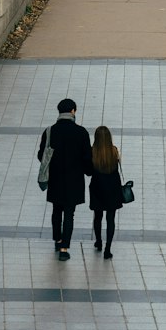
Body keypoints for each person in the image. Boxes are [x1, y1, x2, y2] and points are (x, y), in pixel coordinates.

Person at [37, 98, 93, 261]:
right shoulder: (81, 132)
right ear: (73, 111)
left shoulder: (49, 131)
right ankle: (64, 247)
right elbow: (86, 157)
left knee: (56, 209)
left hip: (55, 178)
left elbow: (42, 154)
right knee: (69, 213)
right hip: (74, 179)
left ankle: (57, 238)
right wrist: (88, 171)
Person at [89, 125, 125, 259]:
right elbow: (118, 164)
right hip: (113, 188)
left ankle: (98, 241)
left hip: (97, 187)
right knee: (111, 218)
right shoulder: (114, 151)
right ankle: (107, 249)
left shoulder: (93, 152)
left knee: (97, 216)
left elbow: (89, 170)